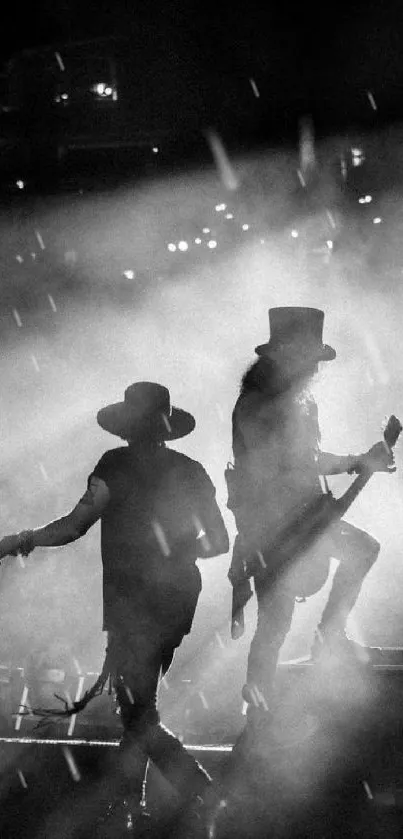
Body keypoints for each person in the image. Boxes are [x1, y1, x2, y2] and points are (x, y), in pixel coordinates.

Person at [0, 381, 229, 832]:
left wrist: (21, 541)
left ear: (125, 427)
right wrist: (176, 552)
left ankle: (200, 790)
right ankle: (130, 806)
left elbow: (74, 525)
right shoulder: (191, 470)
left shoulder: (115, 465)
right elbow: (218, 542)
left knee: (137, 710)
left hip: (136, 605)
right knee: (138, 704)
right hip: (179, 600)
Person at [227, 307, 396, 730]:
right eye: (308, 358)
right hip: (271, 526)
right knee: (274, 621)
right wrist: (357, 462)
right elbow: (285, 466)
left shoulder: (303, 403)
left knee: (361, 551)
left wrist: (358, 462)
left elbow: (308, 461)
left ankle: (328, 638)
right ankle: (257, 716)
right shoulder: (256, 406)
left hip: (306, 518)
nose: (315, 368)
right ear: (284, 355)